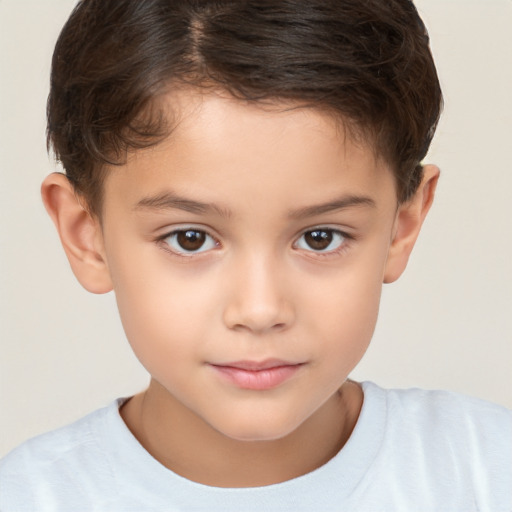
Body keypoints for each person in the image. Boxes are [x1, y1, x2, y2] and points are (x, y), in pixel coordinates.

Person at [0, 0, 510, 510]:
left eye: (320, 237)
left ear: (403, 225)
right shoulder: (28, 497)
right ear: (85, 233)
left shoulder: (486, 471)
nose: (261, 310)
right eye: (190, 239)